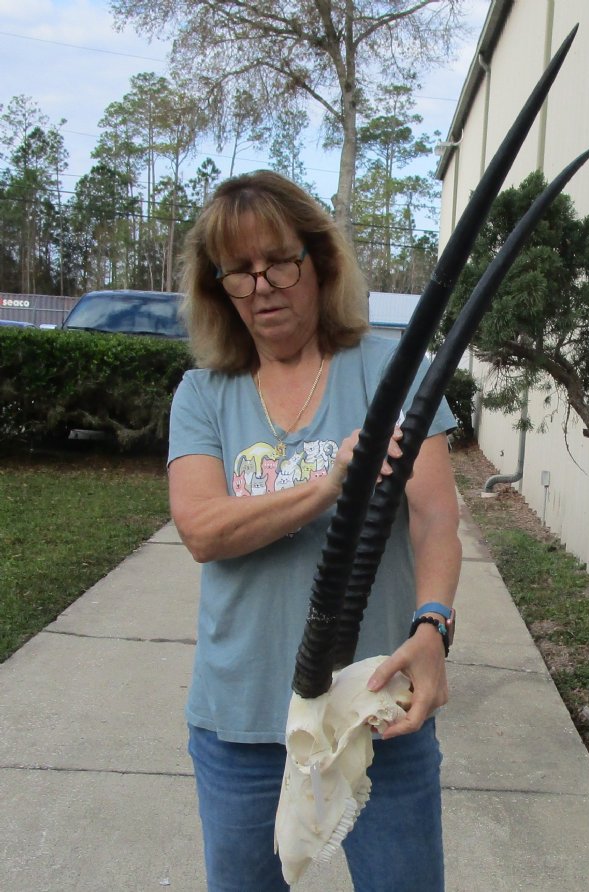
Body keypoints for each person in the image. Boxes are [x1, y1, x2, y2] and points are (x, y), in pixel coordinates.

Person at [167, 170, 462, 892]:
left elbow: (434, 518)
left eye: (280, 262)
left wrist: (433, 626)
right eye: (238, 271)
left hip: (377, 710)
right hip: (242, 723)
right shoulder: (203, 393)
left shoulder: (392, 370)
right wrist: (329, 486)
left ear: (320, 261)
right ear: (218, 288)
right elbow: (202, 529)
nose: (262, 286)